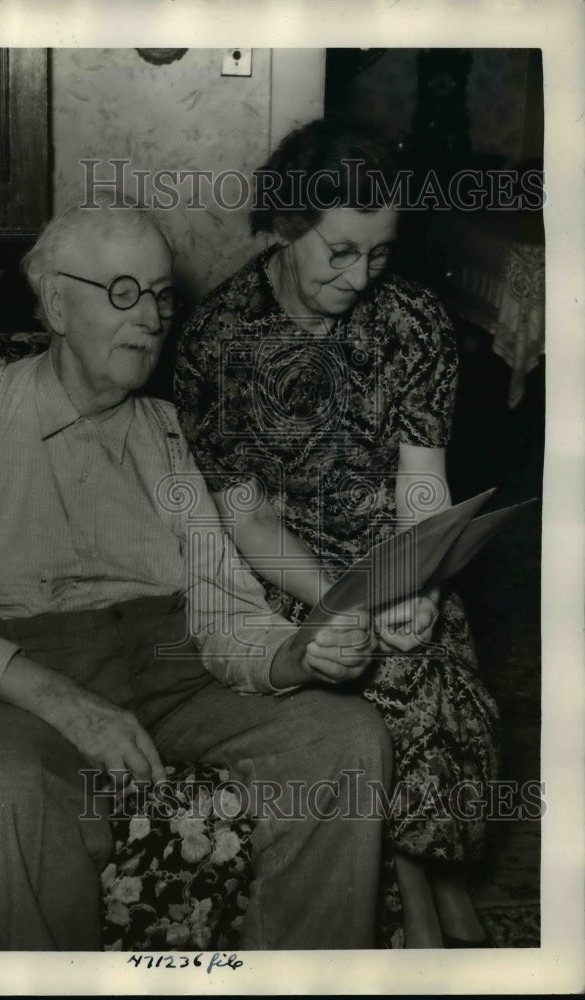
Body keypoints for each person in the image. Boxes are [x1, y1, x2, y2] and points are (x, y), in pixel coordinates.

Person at [0, 194, 393, 951]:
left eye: (159, 295)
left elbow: (223, 610)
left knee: (346, 738)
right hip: (30, 678)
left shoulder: (170, 431)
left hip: (176, 671)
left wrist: (295, 654)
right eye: (123, 292)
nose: (149, 317)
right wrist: (66, 704)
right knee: (5, 795)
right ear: (57, 302)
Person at [173, 120, 501, 948]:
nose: (360, 278)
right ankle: (418, 894)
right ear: (287, 224)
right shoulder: (218, 339)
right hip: (281, 562)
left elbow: (420, 479)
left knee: (437, 662)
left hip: (393, 548)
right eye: (341, 252)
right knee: (371, 673)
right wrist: (344, 601)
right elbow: (245, 516)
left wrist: (417, 580)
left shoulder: (414, 321)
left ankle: (433, 873)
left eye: (380, 254)